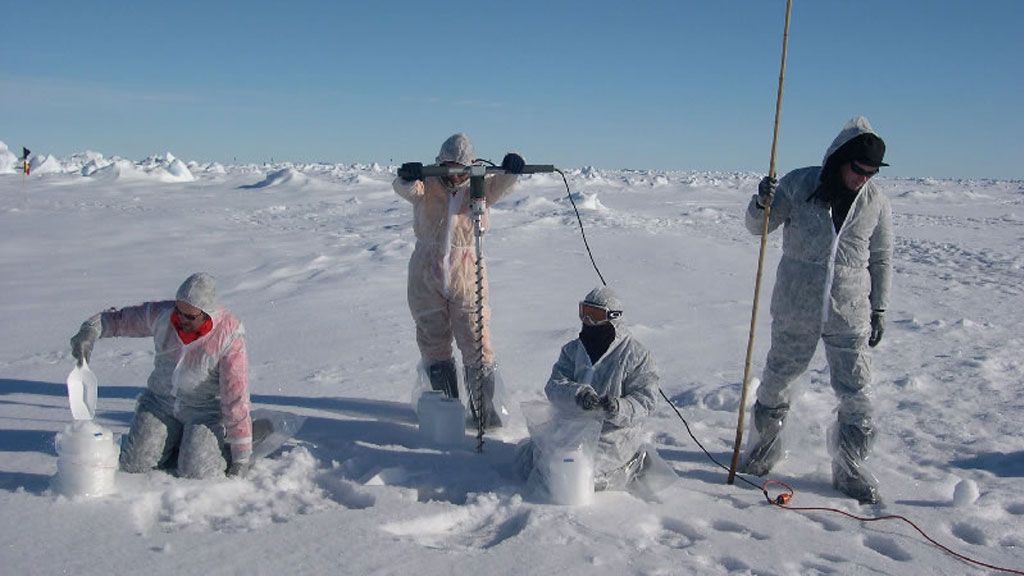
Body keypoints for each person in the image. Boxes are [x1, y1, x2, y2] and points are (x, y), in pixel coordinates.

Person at [739, 116, 893, 504]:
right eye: (859, 169)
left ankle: (851, 469)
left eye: (871, 172)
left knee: (858, 392)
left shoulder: (876, 201)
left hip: (849, 310)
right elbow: (758, 228)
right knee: (777, 382)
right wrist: (762, 202)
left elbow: (881, 257)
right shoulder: (799, 184)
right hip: (796, 306)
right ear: (842, 159)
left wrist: (879, 308)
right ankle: (762, 452)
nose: (863, 178)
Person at [393, 133, 526, 429]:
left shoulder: (479, 186)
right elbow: (403, 188)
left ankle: (485, 414)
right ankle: (446, 410)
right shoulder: (426, 185)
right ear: (440, 163)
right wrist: (406, 175)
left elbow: (501, 185)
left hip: (467, 272)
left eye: (459, 168)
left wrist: (512, 167)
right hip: (426, 273)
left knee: (477, 340)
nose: (453, 175)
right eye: (448, 167)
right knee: (433, 341)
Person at [69, 272, 252, 479]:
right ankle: (179, 442)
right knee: (134, 463)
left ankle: (220, 443)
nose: (181, 319)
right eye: (179, 311)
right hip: (160, 404)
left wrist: (241, 456)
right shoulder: (164, 315)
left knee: (197, 471)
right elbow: (121, 319)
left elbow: (235, 396)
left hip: (203, 413)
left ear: (207, 313)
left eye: (190, 316)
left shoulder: (228, 335)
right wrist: (90, 330)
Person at [542, 286, 660, 490]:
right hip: (572, 427)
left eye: (595, 315)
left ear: (613, 318)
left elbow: (646, 400)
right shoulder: (573, 350)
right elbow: (554, 386)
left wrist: (617, 407)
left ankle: (633, 463)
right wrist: (577, 395)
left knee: (585, 477)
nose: (588, 321)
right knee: (545, 466)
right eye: (584, 313)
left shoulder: (636, 356)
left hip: (613, 435)